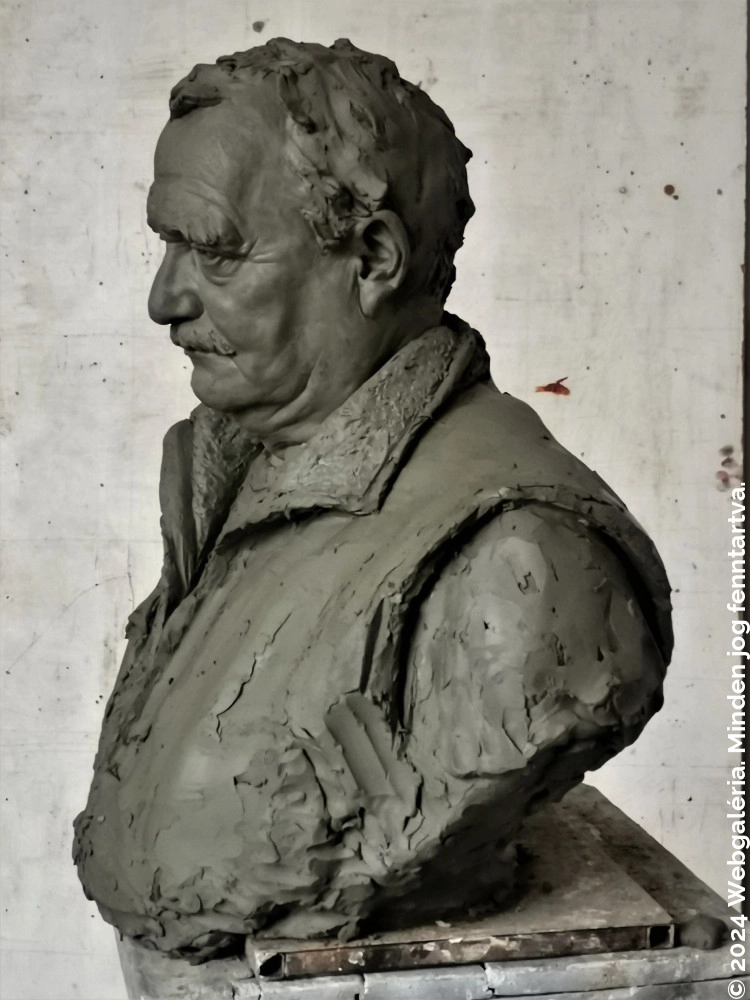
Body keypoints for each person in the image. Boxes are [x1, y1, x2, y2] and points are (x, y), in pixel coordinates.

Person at [73, 38, 672, 965]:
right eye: (168, 245)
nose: (164, 300)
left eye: (216, 253)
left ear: (373, 258)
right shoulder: (226, 471)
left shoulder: (524, 564)